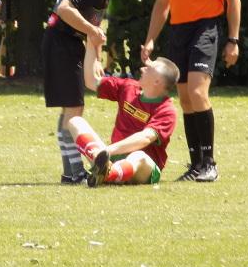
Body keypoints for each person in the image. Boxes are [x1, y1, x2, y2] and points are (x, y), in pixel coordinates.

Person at [141, 0, 241, 182]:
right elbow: (162, 2)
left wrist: (233, 40)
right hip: (178, 31)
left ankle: (209, 163)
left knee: (197, 92)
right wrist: (150, 39)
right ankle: (196, 164)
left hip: (205, 27)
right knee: (185, 98)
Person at [42, 0, 135, 184]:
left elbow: (94, 23)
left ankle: (71, 172)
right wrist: (91, 31)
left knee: (72, 109)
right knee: (74, 110)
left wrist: (96, 54)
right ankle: (74, 173)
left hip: (69, 43)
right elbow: (64, 8)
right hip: (61, 43)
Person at [69, 36, 179, 187]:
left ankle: (108, 173)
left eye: (149, 69)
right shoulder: (128, 87)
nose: (142, 69)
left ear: (157, 81)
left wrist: (107, 150)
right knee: (75, 121)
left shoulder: (167, 110)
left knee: (138, 155)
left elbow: (145, 138)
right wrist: (90, 40)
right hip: (113, 157)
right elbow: (91, 81)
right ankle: (106, 170)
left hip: (143, 167)